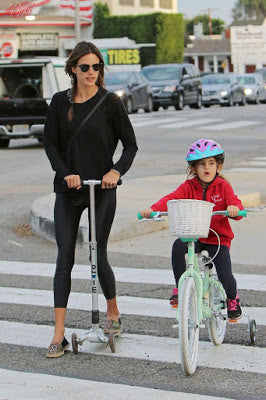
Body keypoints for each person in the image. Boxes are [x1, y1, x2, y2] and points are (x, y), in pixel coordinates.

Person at [44, 41, 138, 358]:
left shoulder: (110, 103)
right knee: (64, 258)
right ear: (73, 69)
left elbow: (130, 146)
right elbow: (51, 145)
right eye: (85, 67)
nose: (91, 72)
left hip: (101, 190)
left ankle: (112, 314)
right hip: (69, 192)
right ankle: (58, 333)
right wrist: (65, 172)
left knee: (97, 254)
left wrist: (115, 171)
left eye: (96, 67)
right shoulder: (59, 103)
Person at [140, 139, 243, 320]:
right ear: (194, 169)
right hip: (194, 235)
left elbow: (234, 202)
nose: (206, 168)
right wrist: (153, 209)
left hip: (217, 239)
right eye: (201, 164)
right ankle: (180, 288)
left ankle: (233, 299)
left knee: (225, 274)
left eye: (211, 163)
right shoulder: (188, 186)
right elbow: (171, 199)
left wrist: (234, 209)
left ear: (218, 166)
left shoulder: (223, 186)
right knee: (178, 247)